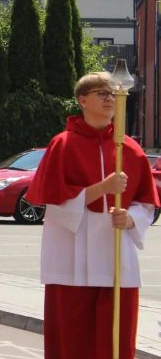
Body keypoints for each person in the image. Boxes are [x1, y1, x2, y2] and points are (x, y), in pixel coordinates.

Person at [26, 71, 159, 359]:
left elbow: (147, 205)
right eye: (103, 93)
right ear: (82, 100)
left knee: (114, 343)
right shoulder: (62, 145)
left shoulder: (130, 149)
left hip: (115, 258)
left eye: (113, 93)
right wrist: (102, 188)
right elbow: (54, 204)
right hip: (70, 259)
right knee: (71, 343)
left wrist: (130, 218)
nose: (110, 98)